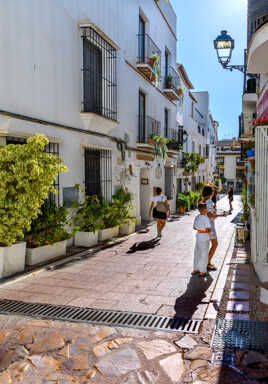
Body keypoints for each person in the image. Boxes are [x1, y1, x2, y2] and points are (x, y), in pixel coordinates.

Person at [202, 185, 226, 271]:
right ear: (210, 192)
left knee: (207, 245)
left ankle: (207, 262)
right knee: (215, 244)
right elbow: (209, 214)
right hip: (210, 225)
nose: (213, 192)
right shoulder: (209, 201)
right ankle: (207, 263)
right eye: (212, 191)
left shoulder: (203, 200)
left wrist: (215, 213)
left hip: (204, 225)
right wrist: (221, 215)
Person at [192, 202, 211, 277]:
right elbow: (208, 229)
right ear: (204, 209)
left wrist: (200, 229)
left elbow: (194, 227)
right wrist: (206, 231)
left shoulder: (197, 217)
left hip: (198, 236)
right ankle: (202, 271)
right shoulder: (206, 218)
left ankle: (195, 269)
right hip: (204, 237)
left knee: (197, 253)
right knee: (204, 254)